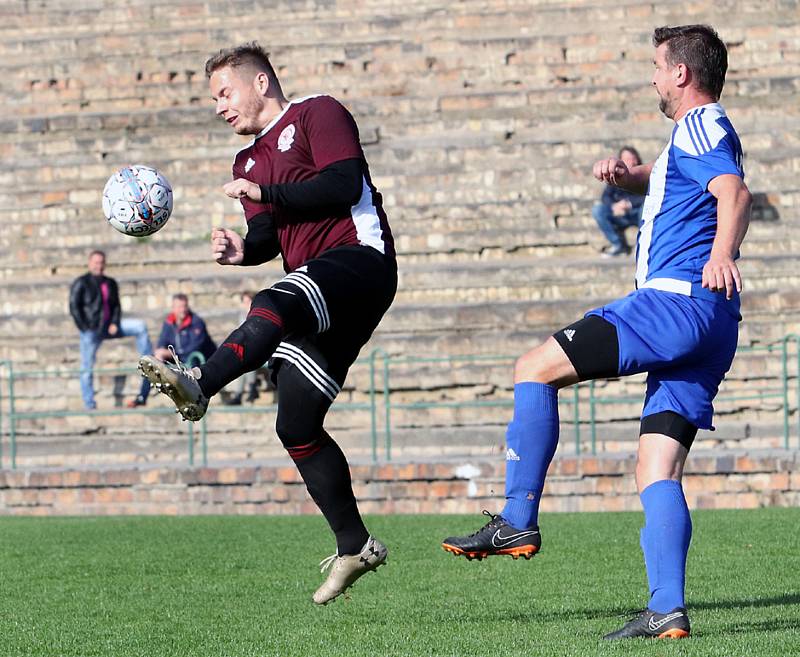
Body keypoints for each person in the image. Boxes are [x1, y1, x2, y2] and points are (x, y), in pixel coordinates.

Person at [441, 25, 751, 640]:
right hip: (713, 325)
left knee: (533, 367)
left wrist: (721, 253)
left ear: (683, 74)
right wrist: (628, 175)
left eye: (659, 67)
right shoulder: (691, 137)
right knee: (656, 471)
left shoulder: (700, 123)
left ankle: (517, 518)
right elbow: (681, 182)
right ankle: (668, 609)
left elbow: (733, 193)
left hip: (674, 305)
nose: (654, 77)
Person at [138, 42, 397, 604]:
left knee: (272, 305)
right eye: (213, 99)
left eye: (224, 93)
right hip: (316, 287)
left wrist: (267, 194)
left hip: (360, 260)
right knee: (295, 424)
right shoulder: (245, 162)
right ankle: (355, 545)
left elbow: (342, 185)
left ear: (260, 83)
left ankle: (200, 384)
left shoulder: (317, 113)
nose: (218, 107)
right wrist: (242, 247)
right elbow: (268, 234)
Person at [69, 250, 154, 410]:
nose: (99, 266)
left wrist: (114, 322)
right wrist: (86, 327)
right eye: (96, 262)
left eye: (101, 262)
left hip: (110, 326)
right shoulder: (81, 282)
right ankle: (89, 403)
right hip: (92, 329)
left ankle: (148, 361)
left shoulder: (110, 283)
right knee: (87, 367)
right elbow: (74, 307)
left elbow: (116, 306)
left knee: (140, 326)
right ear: (89, 263)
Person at [591, 146, 646, 257]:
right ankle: (618, 245)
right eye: (625, 159)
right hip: (619, 214)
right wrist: (614, 206)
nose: (629, 161)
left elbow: (647, 196)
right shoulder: (616, 175)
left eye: (631, 158)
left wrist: (628, 204)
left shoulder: (643, 174)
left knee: (646, 206)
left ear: (636, 159)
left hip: (638, 213)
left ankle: (643, 245)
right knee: (598, 210)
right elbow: (605, 197)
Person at [222, 290, 264, 405]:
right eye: (244, 302)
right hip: (248, 346)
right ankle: (248, 389)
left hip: (261, 346)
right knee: (242, 359)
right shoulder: (242, 315)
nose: (246, 304)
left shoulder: (257, 312)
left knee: (247, 357)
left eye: (248, 301)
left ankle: (245, 391)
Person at [153, 294, 216, 366]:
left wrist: (172, 354)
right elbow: (162, 343)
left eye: (185, 306)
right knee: (155, 360)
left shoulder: (196, 322)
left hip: (197, 361)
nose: (183, 310)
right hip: (178, 359)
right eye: (179, 307)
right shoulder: (168, 323)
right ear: (173, 308)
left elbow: (194, 348)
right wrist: (160, 354)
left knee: (193, 358)